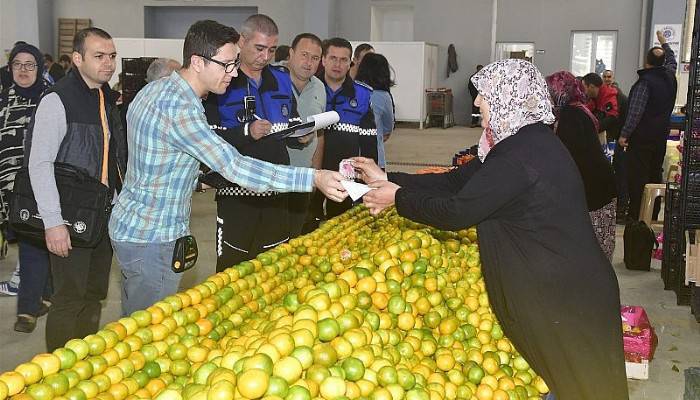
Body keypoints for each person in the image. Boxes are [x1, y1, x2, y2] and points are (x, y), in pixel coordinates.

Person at [353, 59, 629, 400]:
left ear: (508, 97)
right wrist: (388, 178)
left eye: (485, 95)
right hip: (566, 289)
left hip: (566, 298)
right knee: (571, 380)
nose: (476, 103)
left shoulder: (520, 156)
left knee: (584, 386)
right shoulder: (522, 142)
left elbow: (458, 212)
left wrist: (398, 199)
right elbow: (457, 181)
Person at [109, 20, 346, 316]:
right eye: (227, 64)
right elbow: (235, 166)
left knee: (138, 323)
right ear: (197, 62)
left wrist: (196, 179)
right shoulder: (180, 108)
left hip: (136, 227)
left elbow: (157, 159)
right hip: (152, 237)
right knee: (146, 332)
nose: (234, 72)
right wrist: (314, 177)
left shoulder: (159, 90)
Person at [27, 27, 126, 351]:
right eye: (99, 56)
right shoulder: (57, 100)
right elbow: (39, 164)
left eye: (112, 56)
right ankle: (59, 376)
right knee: (68, 299)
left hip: (102, 218)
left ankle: (83, 365)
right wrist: (53, 222)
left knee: (94, 295)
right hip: (69, 218)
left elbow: (111, 158)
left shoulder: (105, 97)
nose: (108, 63)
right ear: (77, 58)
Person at [205, 14, 302, 271]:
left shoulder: (282, 78)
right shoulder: (221, 80)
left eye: (271, 50)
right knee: (231, 270)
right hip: (237, 193)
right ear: (241, 41)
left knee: (274, 268)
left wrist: (302, 134)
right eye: (259, 48)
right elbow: (207, 141)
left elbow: (291, 120)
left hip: (277, 192)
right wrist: (246, 132)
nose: (265, 56)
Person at [0, 43, 53, 332]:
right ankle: (45, 295)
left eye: (29, 64)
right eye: (17, 64)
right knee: (37, 241)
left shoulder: (51, 99)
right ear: (10, 68)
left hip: (42, 184)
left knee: (34, 242)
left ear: (39, 68)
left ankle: (27, 310)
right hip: (8, 188)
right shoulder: (2, 100)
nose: (23, 70)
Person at [546, 71, 617, 260]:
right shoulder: (577, 109)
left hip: (594, 191)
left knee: (594, 252)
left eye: (550, 93)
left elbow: (566, 156)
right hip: (598, 186)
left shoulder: (571, 116)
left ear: (560, 93)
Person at [314, 37, 377, 220]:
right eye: (333, 58)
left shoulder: (363, 94)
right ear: (323, 60)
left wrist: (369, 177)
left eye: (343, 60)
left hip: (346, 176)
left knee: (340, 225)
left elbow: (368, 139)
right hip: (313, 172)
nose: (337, 64)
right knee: (307, 224)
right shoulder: (308, 90)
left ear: (350, 63)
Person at [618, 30, 677, 221]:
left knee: (638, 179)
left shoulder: (645, 83)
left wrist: (624, 135)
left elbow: (635, 112)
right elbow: (673, 61)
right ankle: (652, 214)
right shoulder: (670, 77)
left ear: (646, 62)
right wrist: (665, 43)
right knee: (654, 174)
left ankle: (636, 217)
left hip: (641, 139)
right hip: (660, 137)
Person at [286, 33, 326, 237]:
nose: (309, 63)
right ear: (291, 54)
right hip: (275, 177)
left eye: (315, 58)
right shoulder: (271, 81)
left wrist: (315, 174)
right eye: (304, 55)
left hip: (303, 178)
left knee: (296, 238)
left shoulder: (319, 87)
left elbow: (319, 133)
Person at [355, 53, 395, 169]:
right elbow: (388, 127)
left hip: (352, 156)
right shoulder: (384, 96)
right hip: (375, 159)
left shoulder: (352, 90)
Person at [582, 72, 619, 139]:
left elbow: (611, 119)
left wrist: (588, 130)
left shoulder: (609, 96)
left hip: (615, 136)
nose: (584, 91)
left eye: (584, 88)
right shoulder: (596, 97)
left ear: (591, 86)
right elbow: (586, 110)